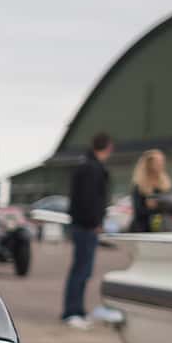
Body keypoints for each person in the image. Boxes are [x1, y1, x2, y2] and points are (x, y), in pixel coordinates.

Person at [62, 131, 113, 328]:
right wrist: (95, 223)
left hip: (81, 225)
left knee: (81, 270)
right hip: (86, 227)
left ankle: (77, 310)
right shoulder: (93, 169)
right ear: (108, 148)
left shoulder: (85, 165)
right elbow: (90, 200)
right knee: (81, 271)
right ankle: (72, 312)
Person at [129, 149, 172, 232]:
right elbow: (138, 211)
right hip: (143, 229)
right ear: (149, 164)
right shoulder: (139, 186)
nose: (162, 164)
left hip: (163, 228)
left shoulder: (166, 184)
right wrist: (153, 208)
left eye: (162, 161)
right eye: (158, 162)